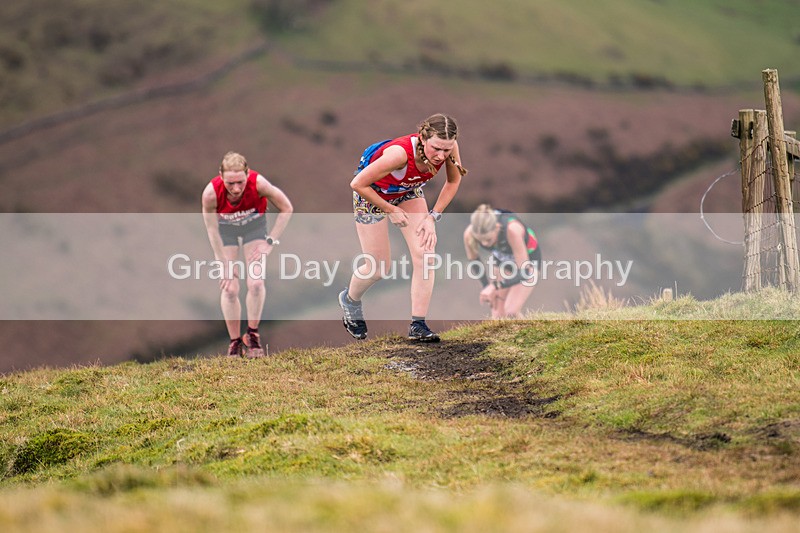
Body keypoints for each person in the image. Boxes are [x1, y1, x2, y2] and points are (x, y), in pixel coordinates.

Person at [338, 113, 468, 342]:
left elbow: (453, 181)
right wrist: (389, 209)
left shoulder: (449, 147)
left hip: (407, 191)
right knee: (378, 268)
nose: (441, 156)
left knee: (426, 255)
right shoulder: (399, 155)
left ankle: (418, 325)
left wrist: (432, 216)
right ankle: (350, 300)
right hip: (372, 196)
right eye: (436, 148)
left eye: (446, 150)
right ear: (423, 138)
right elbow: (357, 183)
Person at [201, 151, 293, 358]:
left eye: (240, 182)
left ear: (247, 174)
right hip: (226, 232)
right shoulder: (210, 194)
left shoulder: (259, 184)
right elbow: (212, 229)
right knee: (230, 287)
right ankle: (234, 343)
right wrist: (223, 262)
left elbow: (287, 208)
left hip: (255, 229)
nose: (235, 189)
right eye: (230, 183)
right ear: (220, 176)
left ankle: (252, 335)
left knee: (256, 283)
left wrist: (270, 241)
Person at [463, 204, 541, 318]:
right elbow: (475, 262)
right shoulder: (469, 234)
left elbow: (524, 273)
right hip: (503, 262)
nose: (485, 244)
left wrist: (495, 286)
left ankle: (529, 334)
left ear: (497, 227)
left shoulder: (512, 229)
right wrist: (486, 286)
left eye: (488, 239)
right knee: (497, 315)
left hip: (528, 263)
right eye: (481, 240)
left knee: (511, 311)